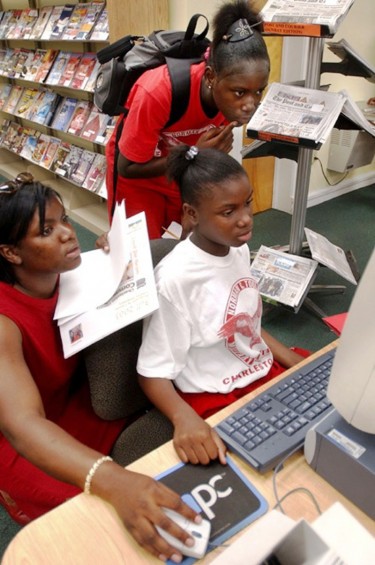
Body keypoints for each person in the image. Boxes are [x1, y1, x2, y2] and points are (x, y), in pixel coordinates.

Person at [0, 174, 203, 564]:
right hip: (25, 440)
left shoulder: (64, 272)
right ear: (11, 253)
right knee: (93, 522)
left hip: (74, 403)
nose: (66, 234)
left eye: (64, 221)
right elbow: (22, 424)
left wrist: (120, 256)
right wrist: (110, 478)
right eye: (46, 230)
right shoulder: (4, 321)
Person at [137, 145, 310, 467]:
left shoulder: (236, 248)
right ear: (191, 214)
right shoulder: (175, 281)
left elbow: (246, 323)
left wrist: (292, 361)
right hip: (216, 392)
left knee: (323, 422)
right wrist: (182, 419)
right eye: (228, 212)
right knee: (277, 465)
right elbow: (152, 372)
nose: (245, 219)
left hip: (258, 367)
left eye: (247, 203)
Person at [105, 0, 270, 239]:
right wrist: (194, 153)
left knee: (183, 245)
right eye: (240, 92)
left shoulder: (230, 100)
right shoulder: (157, 91)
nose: (250, 104)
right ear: (211, 77)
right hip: (138, 176)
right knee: (139, 252)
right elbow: (127, 168)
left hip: (180, 173)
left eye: (259, 91)